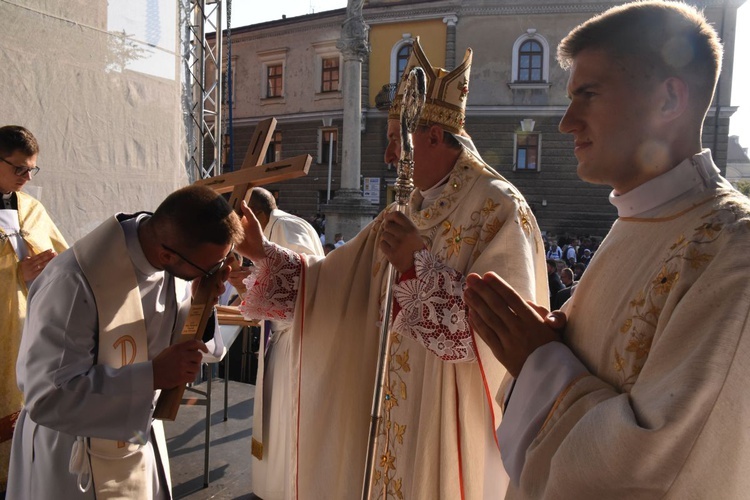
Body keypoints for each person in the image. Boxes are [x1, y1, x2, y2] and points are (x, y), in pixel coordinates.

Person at [235, 37, 547, 499]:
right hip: (387, 404)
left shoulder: (498, 208)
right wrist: (263, 254)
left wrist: (417, 267)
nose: (389, 158)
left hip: (444, 415)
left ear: (436, 137)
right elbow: (332, 282)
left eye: (397, 143)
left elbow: (504, 338)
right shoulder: (405, 209)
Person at [464, 2, 750, 497]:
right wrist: (549, 348)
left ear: (669, 99)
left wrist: (541, 363)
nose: (566, 123)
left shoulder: (730, 250)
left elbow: (656, 470)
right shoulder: (636, 221)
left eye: (588, 95)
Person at [7, 185, 242, 499]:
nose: (216, 273)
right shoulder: (73, 281)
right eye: (209, 267)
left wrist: (203, 300)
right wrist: (153, 375)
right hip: (72, 456)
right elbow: (47, 397)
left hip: (136, 435)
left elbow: (178, 339)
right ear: (166, 254)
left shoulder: (175, 262)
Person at [242, 187, 325, 499]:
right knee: (275, 424)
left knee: (288, 423)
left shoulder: (288, 228)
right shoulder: (273, 227)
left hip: (296, 344)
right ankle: (272, 488)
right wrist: (247, 283)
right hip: (279, 340)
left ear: (257, 216)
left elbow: (310, 283)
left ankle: (287, 490)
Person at [0, 125, 67, 493]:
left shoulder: (32, 209)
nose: (27, 177)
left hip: (30, 332)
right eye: (19, 169)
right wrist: (13, 273)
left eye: (31, 170)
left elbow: (64, 258)